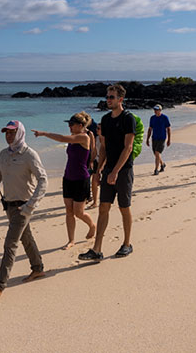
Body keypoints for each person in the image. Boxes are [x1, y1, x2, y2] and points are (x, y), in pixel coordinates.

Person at [0, 120, 48, 298]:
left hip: (23, 207)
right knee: (26, 237)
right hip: (9, 206)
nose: (8, 136)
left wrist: (30, 205)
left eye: (12, 132)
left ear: (20, 133)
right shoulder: (3, 155)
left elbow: (43, 180)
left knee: (10, 244)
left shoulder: (29, 154)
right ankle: (38, 268)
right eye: (6, 133)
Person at [78, 83, 136, 261]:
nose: (108, 100)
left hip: (123, 170)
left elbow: (128, 148)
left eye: (111, 97)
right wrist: (98, 170)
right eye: (107, 96)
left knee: (124, 207)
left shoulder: (128, 118)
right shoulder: (106, 119)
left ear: (120, 99)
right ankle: (97, 249)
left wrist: (116, 171)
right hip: (109, 168)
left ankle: (127, 244)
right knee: (103, 207)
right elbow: (103, 147)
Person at [32, 112, 96, 250]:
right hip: (68, 178)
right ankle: (71, 240)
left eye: (71, 125)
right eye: (68, 124)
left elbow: (61, 139)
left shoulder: (84, 137)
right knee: (69, 211)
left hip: (81, 179)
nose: (69, 127)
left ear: (80, 125)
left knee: (79, 212)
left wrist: (43, 133)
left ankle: (92, 225)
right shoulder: (75, 137)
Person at [146, 104, 171, 175]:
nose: (155, 111)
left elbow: (168, 129)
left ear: (160, 110)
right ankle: (162, 164)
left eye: (157, 110)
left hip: (162, 138)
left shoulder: (165, 118)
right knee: (156, 154)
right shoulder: (152, 118)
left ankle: (156, 169)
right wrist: (147, 139)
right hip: (154, 138)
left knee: (157, 153)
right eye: (154, 109)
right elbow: (150, 129)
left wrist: (169, 140)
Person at [88, 123, 103, 209]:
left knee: (105, 182)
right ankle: (95, 202)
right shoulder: (96, 138)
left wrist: (101, 167)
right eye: (96, 128)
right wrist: (91, 161)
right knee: (94, 180)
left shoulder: (107, 139)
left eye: (99, 128)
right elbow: (94, 151)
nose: (96, 130)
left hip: (106, 161)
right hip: (97, 160)